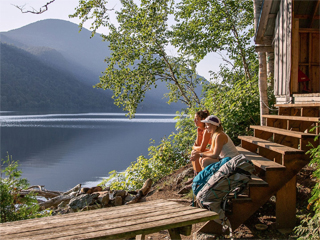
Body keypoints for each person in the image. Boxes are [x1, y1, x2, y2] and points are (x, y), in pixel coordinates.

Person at [182, 110, 211, 189]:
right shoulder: (201, 130)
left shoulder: (207, 130)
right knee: (195, 152)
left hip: (217, 152)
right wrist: (198, 134)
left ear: (203, 119)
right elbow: (197, 144)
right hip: (212, 150)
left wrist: (194, 148)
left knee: (196, 152)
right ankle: (196, 176)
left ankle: (198, 178)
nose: (194, 121)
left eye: (197, 119)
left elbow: (200, 148)